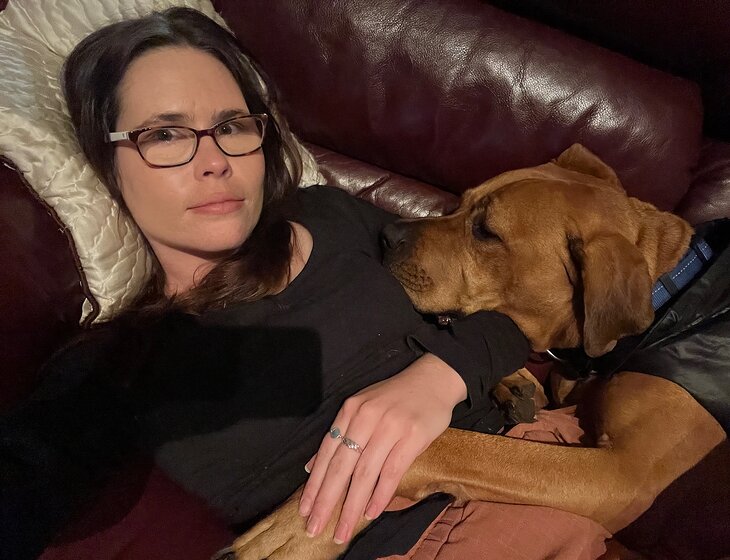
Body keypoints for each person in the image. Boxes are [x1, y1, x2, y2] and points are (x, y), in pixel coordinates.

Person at [0, 7, 529, 558]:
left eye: (231, 127)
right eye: (165, 134)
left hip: (538, 466)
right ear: (107, 161)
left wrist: (442, 375)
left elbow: (519, 305)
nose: (214, 162)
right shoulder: (117, 364)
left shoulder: (326, 214)